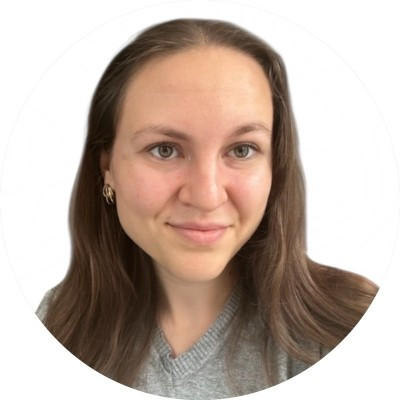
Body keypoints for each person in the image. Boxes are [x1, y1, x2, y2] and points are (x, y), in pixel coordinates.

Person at [36, 18, 378, 399]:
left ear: (274, 167)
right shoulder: (56, 326)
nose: (207, 195)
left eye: (241, 150)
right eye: (164, 149)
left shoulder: (357, 328)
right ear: (107, 167)